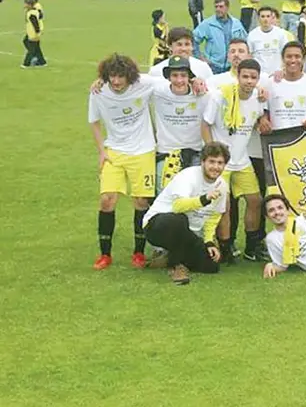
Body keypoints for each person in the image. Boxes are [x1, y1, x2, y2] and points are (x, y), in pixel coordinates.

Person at [89, 54, 166, 270]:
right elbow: (94, 122)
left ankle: (139, 253)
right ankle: (105, 254)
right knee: (107, 200)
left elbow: (172, 79)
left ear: (129, 76)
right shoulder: (98, 91)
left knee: (141, 202)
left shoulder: (143, 83)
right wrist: (102, 151)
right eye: (112, 76)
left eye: (120, 76)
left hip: (143, 152)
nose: (116, 81)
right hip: (114, 152)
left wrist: (195, 79)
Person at [201, 58, 267, 263]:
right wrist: (211, 155)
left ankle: (251, 246)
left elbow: (258, 118)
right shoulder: (221, 96)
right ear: (237, 76)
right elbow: (205, 125)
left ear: (258, 79)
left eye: (253, 77)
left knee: (256, 201)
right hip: (223, 163)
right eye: (245, 76)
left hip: (242, 160)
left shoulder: (258, 96)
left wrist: (263, 121)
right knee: (225, 205)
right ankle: (226, 247)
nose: (249, 81)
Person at [143, 142, 229, 285]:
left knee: (211, 266)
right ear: (202, 162)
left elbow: (213, 217)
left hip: (187, 233)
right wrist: (204, 199)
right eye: (211, 162)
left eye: (220, 163)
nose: (215, 167)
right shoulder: (188, 176)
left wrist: (208, 242)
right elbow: (178, 206)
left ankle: (167, 258)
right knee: (178, 220)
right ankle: (176, 266)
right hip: (157, 225)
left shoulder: (222, 185)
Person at [150, 55, 208, 195]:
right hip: (167, 153)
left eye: (183, 75)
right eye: (174, 75)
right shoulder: (157, 91)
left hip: (195, 153)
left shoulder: (203, 94)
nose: (179, 80)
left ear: (190, 77)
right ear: (168, 77)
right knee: (165, 196)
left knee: (195, 197)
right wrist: (102, 81)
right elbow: (130, 78)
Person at [263, 42, 306, 132]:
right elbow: (264, 110)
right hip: (277, 139)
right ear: (282, 59)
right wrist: (263, 120)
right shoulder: (270, 83)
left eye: (297, 56)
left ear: (303, 59)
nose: (293, 60)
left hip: (303, 138)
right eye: (289, 56)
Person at [193, 0, 248, 74]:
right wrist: (201, 58)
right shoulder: (208, 24)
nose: (218, 9)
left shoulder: (236, 24)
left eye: (221, 7)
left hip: (232, 66)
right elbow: (193, 40)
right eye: (216, 7)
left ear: (227, 8)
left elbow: (245, 42)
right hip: (213, 66)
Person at [248, 6, 294, 75]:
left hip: (277, 74)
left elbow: (287, 52)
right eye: (262, 16)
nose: (265, 19)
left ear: (272, 18)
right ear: (258, 18)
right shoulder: (252, 35)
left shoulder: (280, 33)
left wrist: (284, 69)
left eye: (268, 16)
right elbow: (249, 55)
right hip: (259, 75)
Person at [22, 0, 46, 68]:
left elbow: (35, 24)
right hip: (31, 32)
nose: (24, 5)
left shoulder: (32, 13)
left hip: (33, 34)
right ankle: (42, 62)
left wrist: (37, 32)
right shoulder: (32, 11)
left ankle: (26, 64)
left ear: (29, 5)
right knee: (36, 48)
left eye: (26, 4)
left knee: (32, 49)